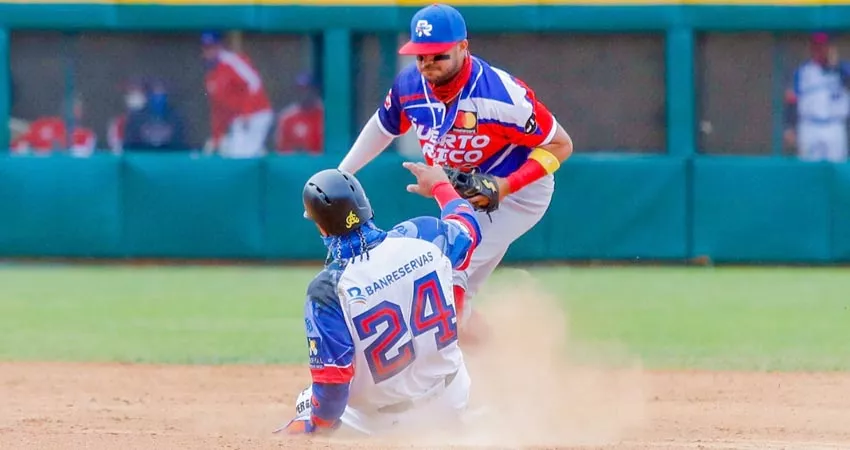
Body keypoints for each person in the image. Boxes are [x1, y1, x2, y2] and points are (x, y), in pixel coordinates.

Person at [336, 3, 573, 342]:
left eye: (438, 55)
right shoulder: (410, 85)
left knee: (443, 277)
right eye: (421, 56)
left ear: (463, 48)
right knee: (450, 291)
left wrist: (506, 186)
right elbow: (385, 126)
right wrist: (344, 174)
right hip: (463, 194)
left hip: (518, 195)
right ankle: (496, 359)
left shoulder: (502, 97)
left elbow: (561, 146)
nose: (427, 64)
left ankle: (445, 380)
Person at [277, 162, 482, 436]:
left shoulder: (327, 289)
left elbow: (332, 387)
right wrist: (440, 185)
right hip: (453, 397)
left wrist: (315, 424)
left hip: (386, 425)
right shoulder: (424, 235)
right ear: (365, 205)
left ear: (321, 228)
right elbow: (469, 230)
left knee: (306, 402)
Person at [201, 31, 273, 158]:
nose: (209, 51)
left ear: (219, 46)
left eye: (212, 46)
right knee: (232, 153)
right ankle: (261, 154)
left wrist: (247, 112)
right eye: (206, 47)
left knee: (241, 155)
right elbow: (218, 110)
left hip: (257, 113)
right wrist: (216, 136)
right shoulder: (210, 75)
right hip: (239, 120)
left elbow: (254, 82)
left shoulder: (231, 61)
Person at [784, 32, 850, 163]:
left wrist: (836, 67)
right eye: (817, 46)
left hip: (835, 126)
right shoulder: (802, 71)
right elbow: (792, 100)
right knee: (808, 170)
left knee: (836, 171)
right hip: (809, 126)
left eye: (823, 46)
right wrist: (790, 126)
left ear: (830, 48)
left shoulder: (843, 69)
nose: (820, 50)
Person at [273, 72, 324, 154]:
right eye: (300, 90)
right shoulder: (287, 117)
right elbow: (281, 150)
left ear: (315, 91)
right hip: (295, 164)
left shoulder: (325, 115)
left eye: (307, 90)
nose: (303, 94)